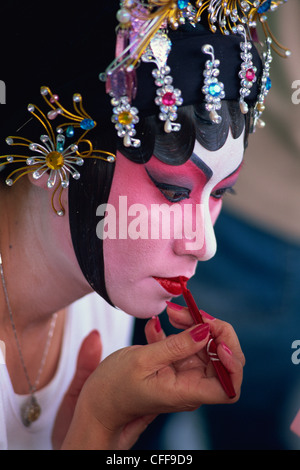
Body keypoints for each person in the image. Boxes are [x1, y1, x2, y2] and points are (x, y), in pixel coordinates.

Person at [0, 0, 288, 450]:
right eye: (172, 191)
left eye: (219, 194)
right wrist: (94, 426)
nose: (205, 244)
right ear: (50, 152)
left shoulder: (108, 299)